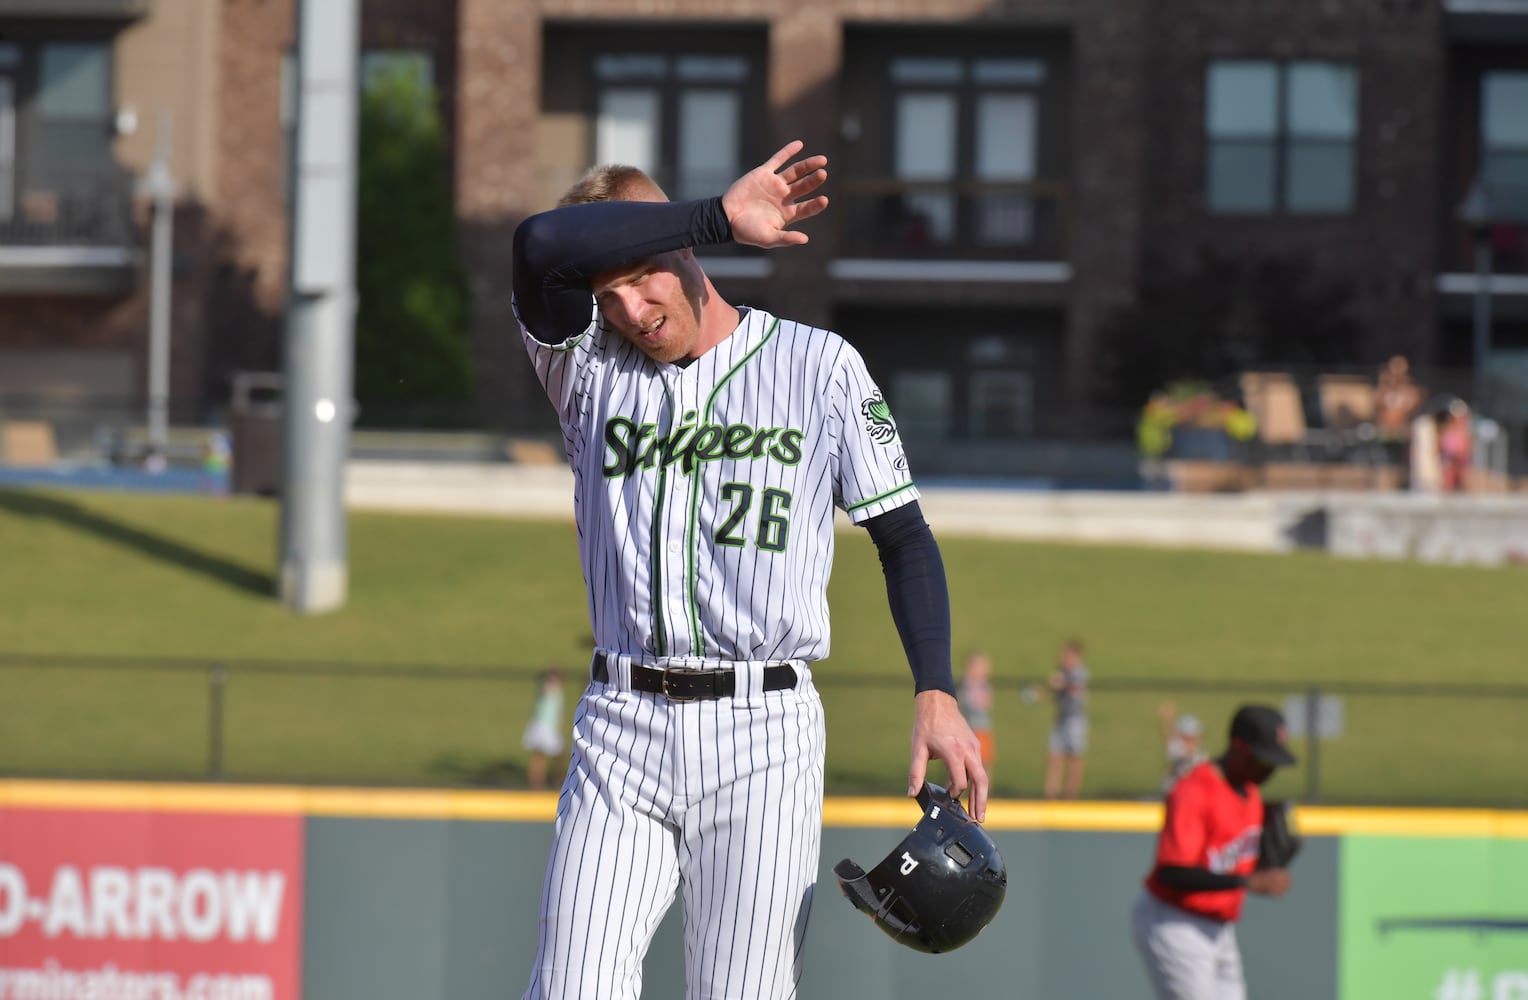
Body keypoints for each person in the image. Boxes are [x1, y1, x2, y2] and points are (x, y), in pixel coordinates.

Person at [510, 140, 987, 999]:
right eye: (605, 290)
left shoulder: (820, 367)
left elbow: (904, 537)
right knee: (570, 987)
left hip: (762, 734)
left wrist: (936, 688)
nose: (630, 308)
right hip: (619, 724)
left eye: (644, 275)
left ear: (683, 255)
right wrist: (716, 217)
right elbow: (538, 246)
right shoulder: (583, 366)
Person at [1132, 704, 1297, 1000]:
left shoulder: (1252, 794)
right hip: (1176, 921)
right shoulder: (1194, 790)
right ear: (1238, 748)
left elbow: (1227, 861)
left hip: (1220, 929)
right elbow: (1171, 872)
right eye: (1263, 760)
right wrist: (1248, 882)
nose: (1269, 770)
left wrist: (1266, 864)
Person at [1042, 638, 1089, 799]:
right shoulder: (1061, 672)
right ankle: (1051, 793)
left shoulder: (1079, 673)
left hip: (1074, 720)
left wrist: (1062, 683)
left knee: (1074, 757)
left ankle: (1071, 794)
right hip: (1061, 719)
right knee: (1055, 755)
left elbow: (1075, 688)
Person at [521, 668, 566, 791]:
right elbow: (545, 691)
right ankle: (537, 783)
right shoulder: (546, 688)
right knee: (539, 756)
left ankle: (557, 779)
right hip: (542, 726)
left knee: (558, 755)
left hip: (552, 727)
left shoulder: (559, 691)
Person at [957, 650, 996, 772]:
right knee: (960, 763)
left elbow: (986, 704)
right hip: (968, 729)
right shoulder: (966, 685)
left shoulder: (985, 685)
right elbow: (964, 702)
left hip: (982, 729)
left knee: (984, 763)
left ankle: (985, 790)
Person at [1157, 700, 1205, 794]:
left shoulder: (1201, 756)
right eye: (1190, 738)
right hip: (1175, 792)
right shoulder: (1178, 750)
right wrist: (1167, 720)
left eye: (1195, 737)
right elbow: (1170, 738)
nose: (1194, 740)